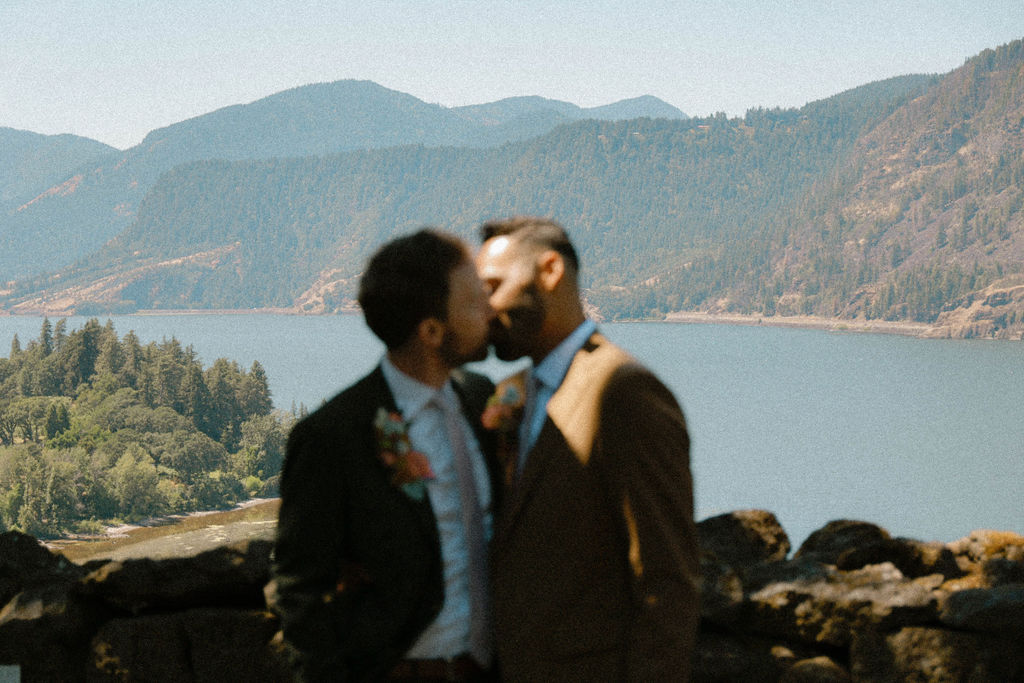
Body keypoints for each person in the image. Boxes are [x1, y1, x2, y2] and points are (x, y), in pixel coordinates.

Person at [475, 216, 700, 682]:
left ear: (550, 271)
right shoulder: (520, 392)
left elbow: (665, 579)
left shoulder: (624, 391)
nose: (483, 309)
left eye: (493, 287)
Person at [271, 229, 499, 682]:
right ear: (432, 331)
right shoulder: (334, 436)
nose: (492, 311)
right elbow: (300, 592)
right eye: (475, 302)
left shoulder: (481, 401)